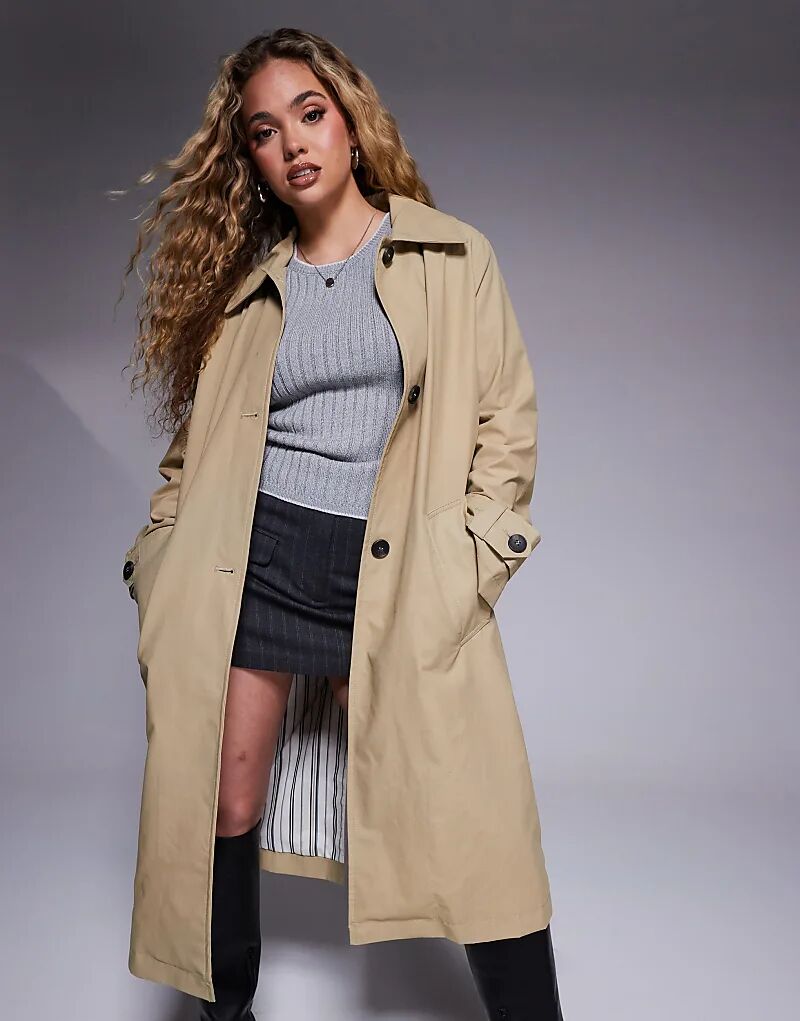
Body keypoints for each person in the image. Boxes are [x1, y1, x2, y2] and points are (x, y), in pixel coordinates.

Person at [119, 26, 564, 1021]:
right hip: (261, 562)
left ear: (351, 125)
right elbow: (192, 459)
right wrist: (158, 559)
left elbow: (506, 422)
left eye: (309, 114)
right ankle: (225, 1012)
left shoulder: (451, 256)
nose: (293, 143)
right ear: (252, 159)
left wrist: (471, 565)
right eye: (264, 131)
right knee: (222, 799)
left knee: (465, 815)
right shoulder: (246, 296)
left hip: (395, 569)